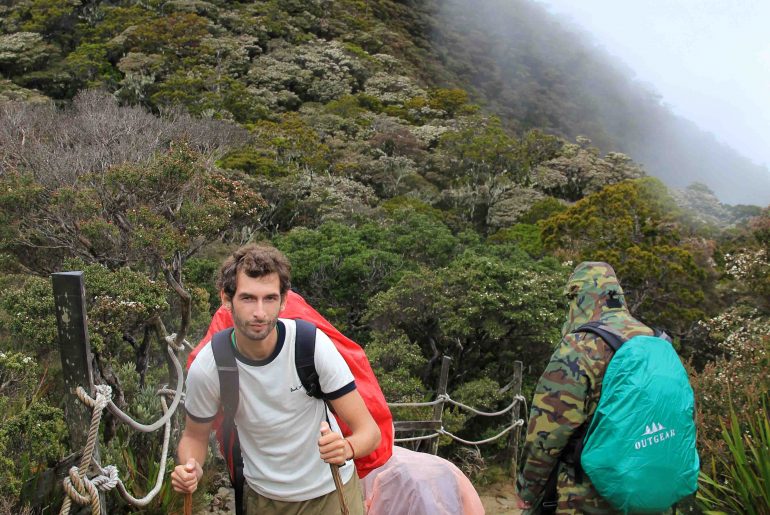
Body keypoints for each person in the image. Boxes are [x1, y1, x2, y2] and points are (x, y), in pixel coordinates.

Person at [171, 244, 381, 514]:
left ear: (283, 301)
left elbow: (370, 432)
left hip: (332, 491)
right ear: (226, 299)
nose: (260, 312)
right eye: (248, 298)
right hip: (264, 499)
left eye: (269, 298)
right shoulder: (210, 366)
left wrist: (347, 447)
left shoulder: (311, 346)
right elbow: (194, 437)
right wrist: (191, 467)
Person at [515, 261, 656, 513]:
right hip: (647, 490)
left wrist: (528, 489)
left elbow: (547, 433)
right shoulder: (654, 340)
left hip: (589, 496)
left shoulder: (580, 346)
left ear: (579, 296)